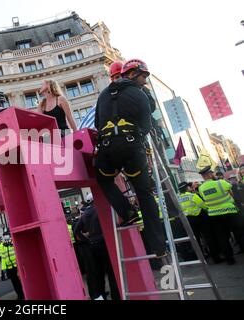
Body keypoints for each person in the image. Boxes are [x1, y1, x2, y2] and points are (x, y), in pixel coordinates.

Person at [94, 58, 167, 257]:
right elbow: (146, 124)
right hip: (132, 148)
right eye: (143, 77)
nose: (144, 81)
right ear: (133, 73)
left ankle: (126, 211)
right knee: (144, 193)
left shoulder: (103, 95)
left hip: (108, 150)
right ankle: (158, 245)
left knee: (103, 179)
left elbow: (98, 123)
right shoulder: (139, 93)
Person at [74, 194, 120, 300]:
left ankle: (101, 296)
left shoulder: (85, 214)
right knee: (112, 272)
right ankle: (116, 296)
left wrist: (88, 240)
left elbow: (77, 231)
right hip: (105, 244)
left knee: (98, 273)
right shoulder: (100, 210)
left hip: (93, 246)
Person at [198, 166, 242, 264]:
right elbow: (232, 192)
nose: (213, 174)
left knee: (222, 237)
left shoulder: (201, 188)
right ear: (209, 174)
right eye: (212, 173)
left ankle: (229, 259)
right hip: (229, 211)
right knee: (238, 232)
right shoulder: (221, 183)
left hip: (214, 215)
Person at [178, 182, 222, 263]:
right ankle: (215, 258)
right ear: (186, 188)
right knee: (208, 237)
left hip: (189, 220)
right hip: (200, 218)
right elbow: (203, 206)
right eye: (189, 186)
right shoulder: (192, 196)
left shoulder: (178, 198)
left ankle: (201, 259)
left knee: (196, 240)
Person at [0, 232, 24, 300]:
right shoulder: (3, 246)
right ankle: (19, 296)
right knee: (15, 283)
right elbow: (3, 259)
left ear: (9, 236)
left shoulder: (13, 243)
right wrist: (4, 269)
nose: (5, 238)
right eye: (4, 236)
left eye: (6, 236)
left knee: (20, 282)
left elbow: (17, 254)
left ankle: (24, 293)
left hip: (16, 267)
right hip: (9, 269)